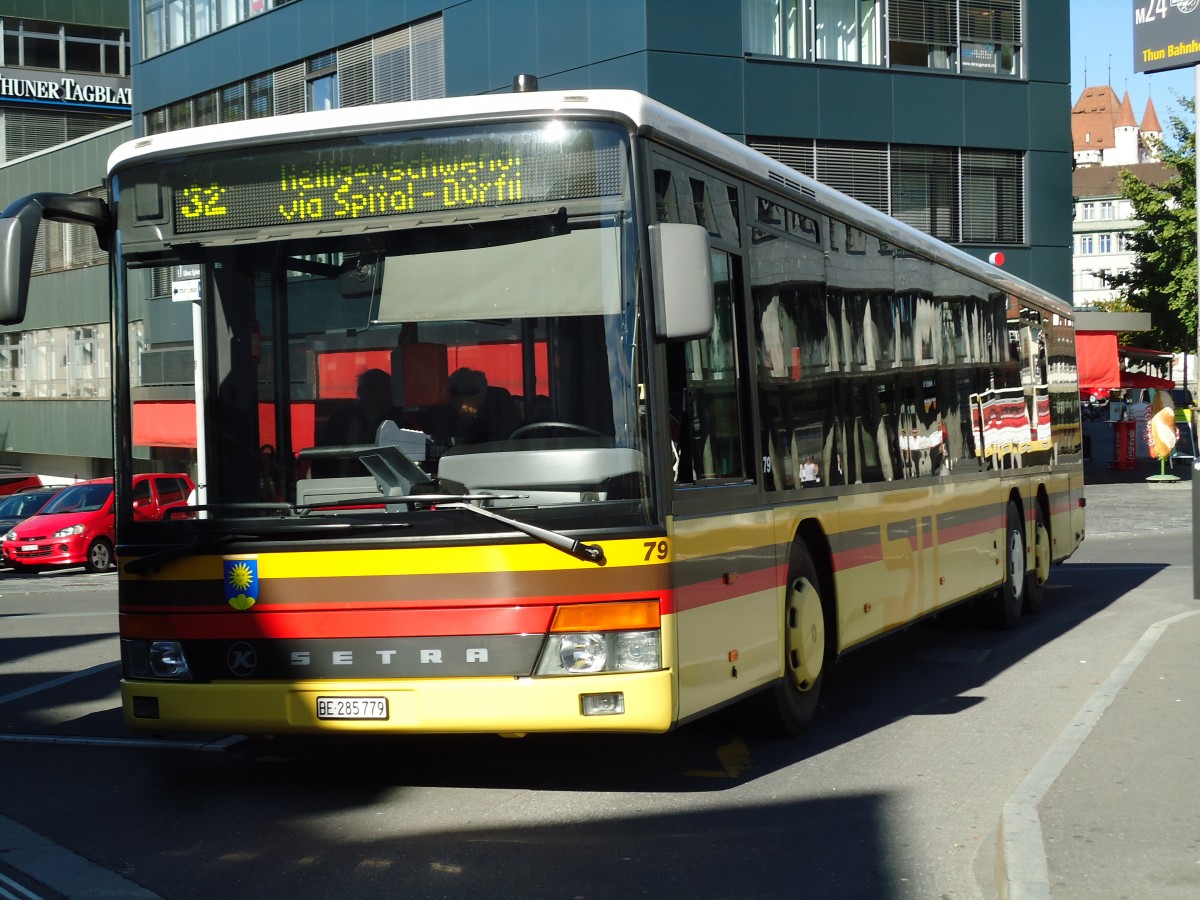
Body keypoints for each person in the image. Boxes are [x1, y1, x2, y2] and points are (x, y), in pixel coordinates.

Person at [312, 368, 404, 476]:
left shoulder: (401, 422)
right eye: (374, 389)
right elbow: (322, 459)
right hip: (344, 486)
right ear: (361, 391)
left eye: (386, 389)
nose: (380, 395)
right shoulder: (341, 420)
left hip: (390, 486)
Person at [443, 367, 519, 445]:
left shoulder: (494, 423)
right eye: (457, 391)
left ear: (481, 397)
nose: (464, 396)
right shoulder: (440, 421)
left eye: (471, 391)